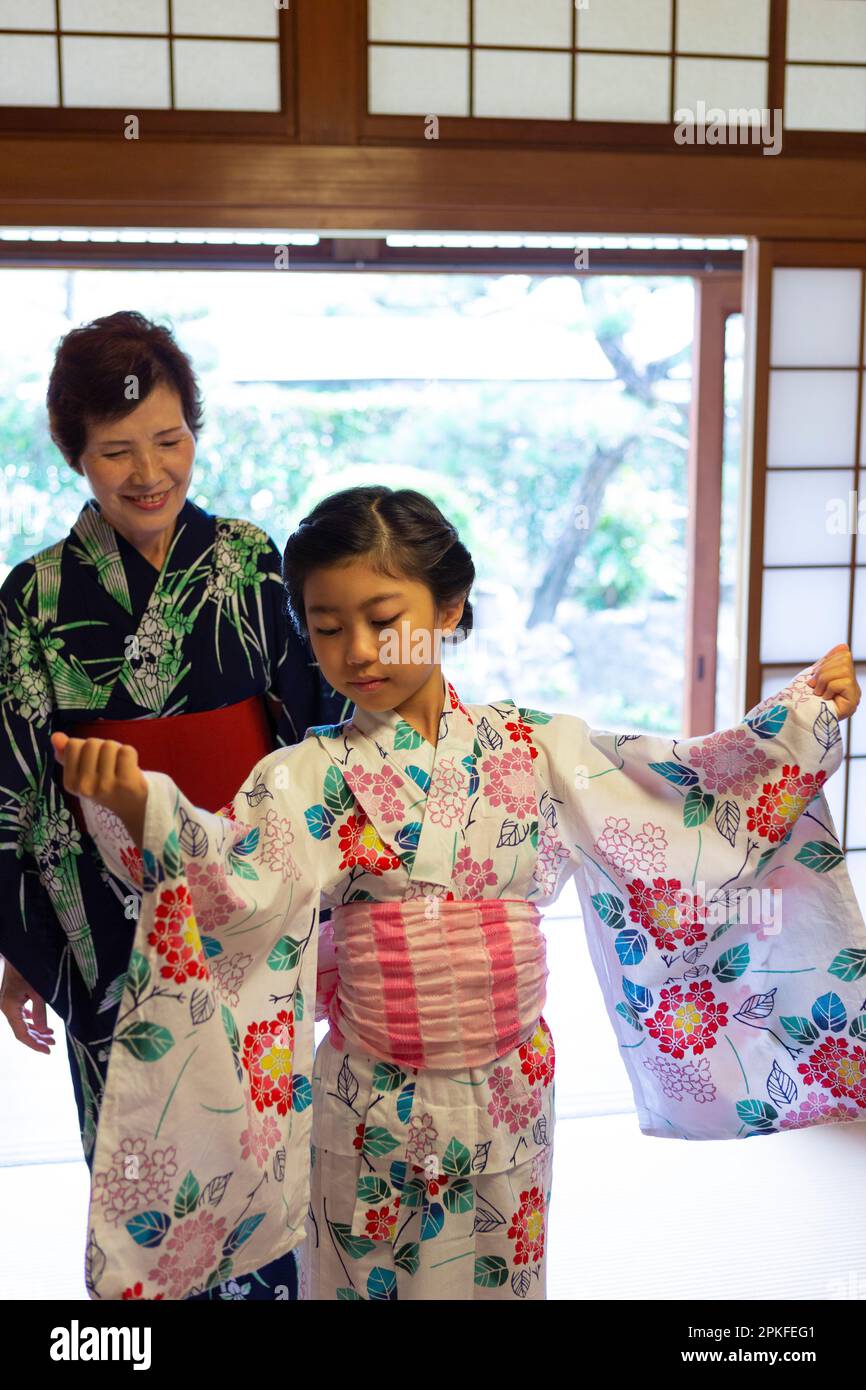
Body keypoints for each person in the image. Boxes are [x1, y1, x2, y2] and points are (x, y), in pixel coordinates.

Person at [54, 486, 864, 1301]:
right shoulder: (306, 775)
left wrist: (797, 723)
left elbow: (674, 793)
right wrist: (144, 807)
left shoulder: (533, 747)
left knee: (502, 1283)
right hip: (371, 1100)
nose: (358, 651)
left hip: (509, 1086)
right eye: (328, 629)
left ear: (449, 607)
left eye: (381, 618)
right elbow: (233, 884)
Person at [0, 310, 350, 1302]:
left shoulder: (249, 561)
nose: (148, 471)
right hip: (110, 925)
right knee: (148, 1182)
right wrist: (23, 945)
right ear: (76, 454)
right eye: (116, 450)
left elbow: (313, 737)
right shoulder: (30, 600)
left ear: (194, 431)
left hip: (247, 910)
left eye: (168, 440)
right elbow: (13, 794)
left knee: (264, 1168)